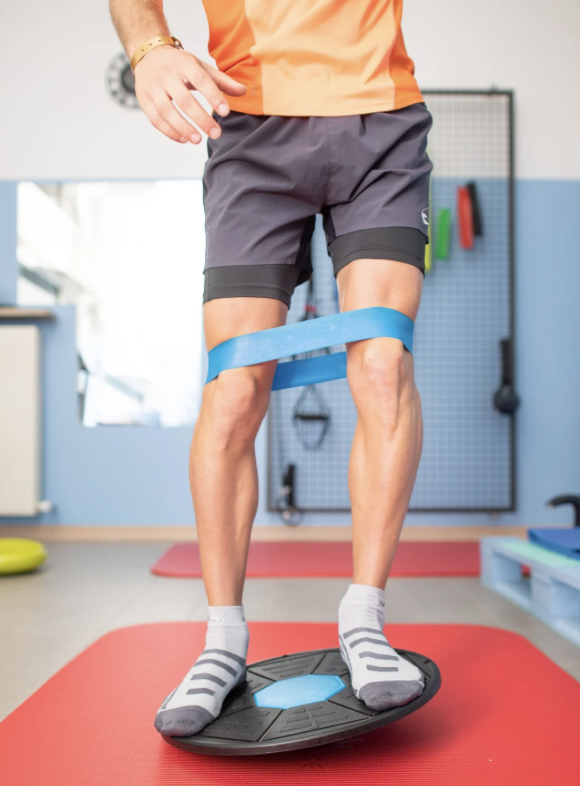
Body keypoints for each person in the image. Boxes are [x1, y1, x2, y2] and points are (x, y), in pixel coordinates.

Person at [110, 0, 433, 737]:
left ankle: (365, 618)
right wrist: (149, 47)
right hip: (248, 124)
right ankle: (222, 637)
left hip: (381, 116)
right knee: (233, 389)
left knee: (383, 363)